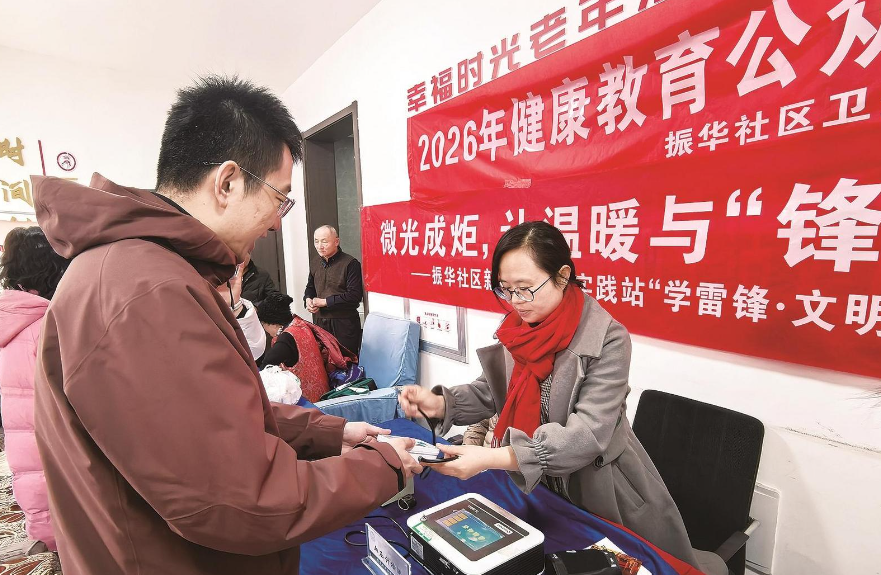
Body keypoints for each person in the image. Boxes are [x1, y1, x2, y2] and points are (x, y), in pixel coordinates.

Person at [32, 76, 421, 575]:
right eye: (279, 198)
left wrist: (331, 434)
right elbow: (243, 500)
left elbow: (210, 418)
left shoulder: (140, 272)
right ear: (228, 182)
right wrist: (383, 466)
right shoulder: (146, 292)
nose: (277, 223)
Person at [399, 221, 700, 569]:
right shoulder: (520, 329)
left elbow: (587, 433)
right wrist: (440, 403)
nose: (515, 301)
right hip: (537, 484)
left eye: (525, 289)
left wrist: (493, 458)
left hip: (600, 489)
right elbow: (492, 390)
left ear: (562, 276)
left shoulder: (608, 339)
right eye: (505, 289)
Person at [0, 226, 68, 556]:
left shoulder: (10, 316)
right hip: (57, 444)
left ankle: (47, 539)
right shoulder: (49, 324)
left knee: (35, 482)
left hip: (22, 445)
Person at [304, 225, 363, 354]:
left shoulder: (350, 263)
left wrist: (325, 302)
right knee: (324, 360)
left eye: (324, 241)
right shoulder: (315, 262)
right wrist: (308, 300)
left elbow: (354, 296)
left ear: (336, 241)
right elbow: (310, 287)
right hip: (320, 322)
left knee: (346, 361)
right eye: (316, 241)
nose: (320, 246)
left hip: (344, 323)